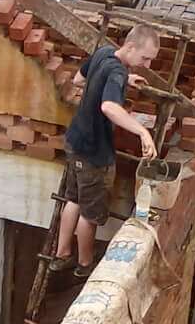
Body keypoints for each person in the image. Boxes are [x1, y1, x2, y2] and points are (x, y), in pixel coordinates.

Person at [43, 28, 162, 283]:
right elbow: (108, 106)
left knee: (73, 199)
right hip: (94, 152)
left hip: (75, 142)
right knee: (90, 212)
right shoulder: (117, 71)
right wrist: (143, 132)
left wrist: (123, 81)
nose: (147, 65)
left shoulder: (105, 54)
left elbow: (78, 80)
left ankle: (62, 254)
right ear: (130, 47)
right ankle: (84, 264)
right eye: (145, 58)